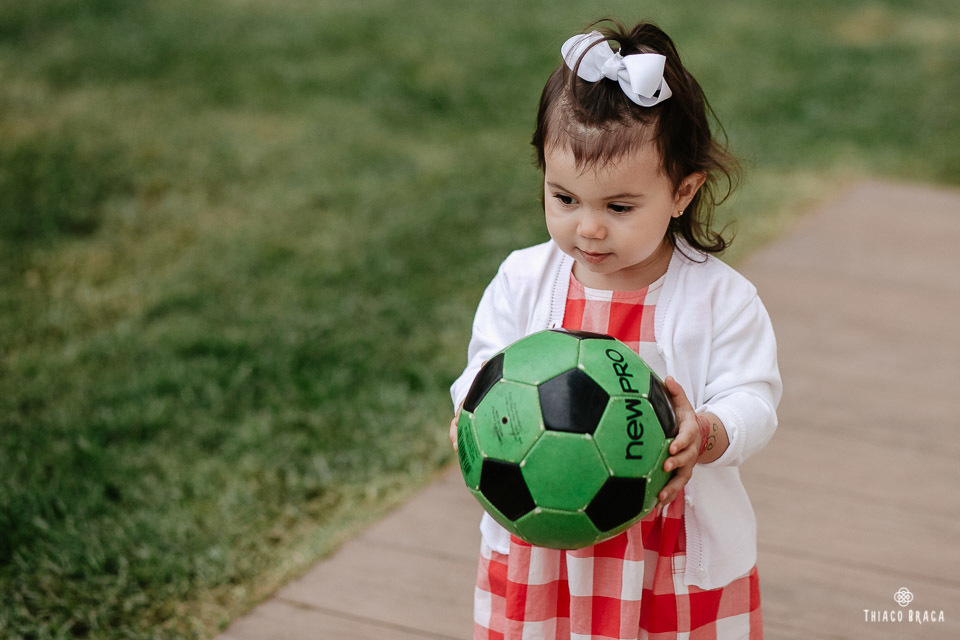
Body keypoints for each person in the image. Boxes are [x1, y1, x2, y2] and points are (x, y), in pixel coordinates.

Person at [449, 20, 781, 640]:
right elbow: (484, 366)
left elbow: (754, 398)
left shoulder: (718, 298)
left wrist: (708, 431)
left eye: (619, 207)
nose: (588, 229)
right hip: (545, 546)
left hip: (668, 554)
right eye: (564, 198)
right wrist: (471, 410)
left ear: (682, 193)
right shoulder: (525, 280)